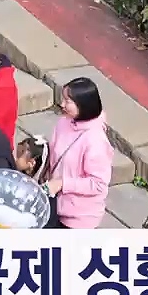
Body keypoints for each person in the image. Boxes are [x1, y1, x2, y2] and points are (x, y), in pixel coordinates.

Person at [42, 77, 113, 229]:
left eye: (68, 101)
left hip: (79, 218)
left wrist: (63, 183)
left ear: (83, 104)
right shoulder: (64, 122)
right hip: (55, 203)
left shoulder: (96, 140)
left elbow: (98, 184)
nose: (62, 104)